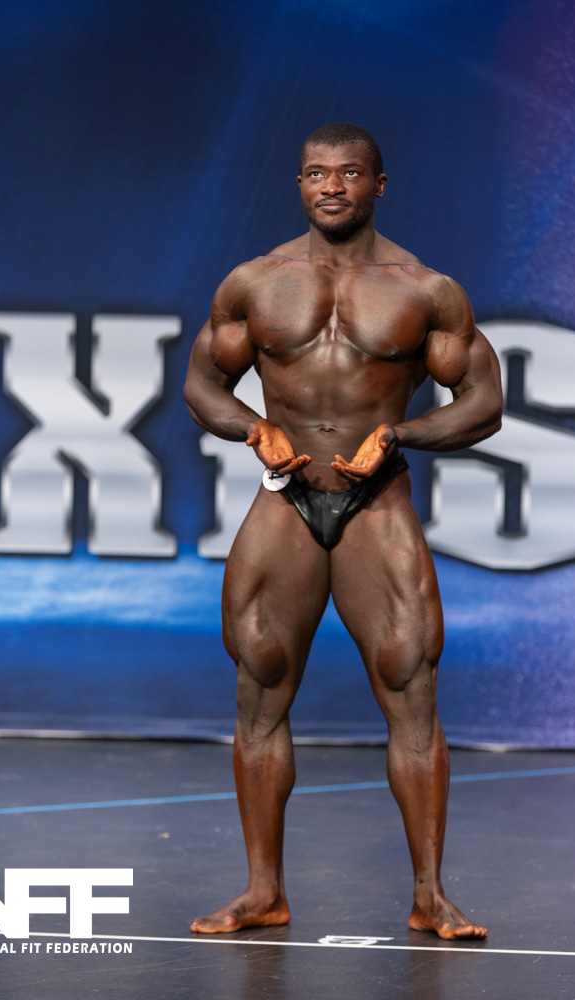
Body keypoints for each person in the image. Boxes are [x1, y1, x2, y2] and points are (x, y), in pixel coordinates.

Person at [183, 123, 502, 939]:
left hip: (378, 505)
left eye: (350, 173)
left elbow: (483, 403)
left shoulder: (425, 290)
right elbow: (202, 383)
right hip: (285, 500)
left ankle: (431, 897)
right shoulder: (255, 282)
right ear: (299, 184)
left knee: (410, 688)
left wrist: (401, 434)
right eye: (317, 174)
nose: (332, 186)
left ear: (378, 185)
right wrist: (253, 427)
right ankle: (263, 892)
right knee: (259, 683)